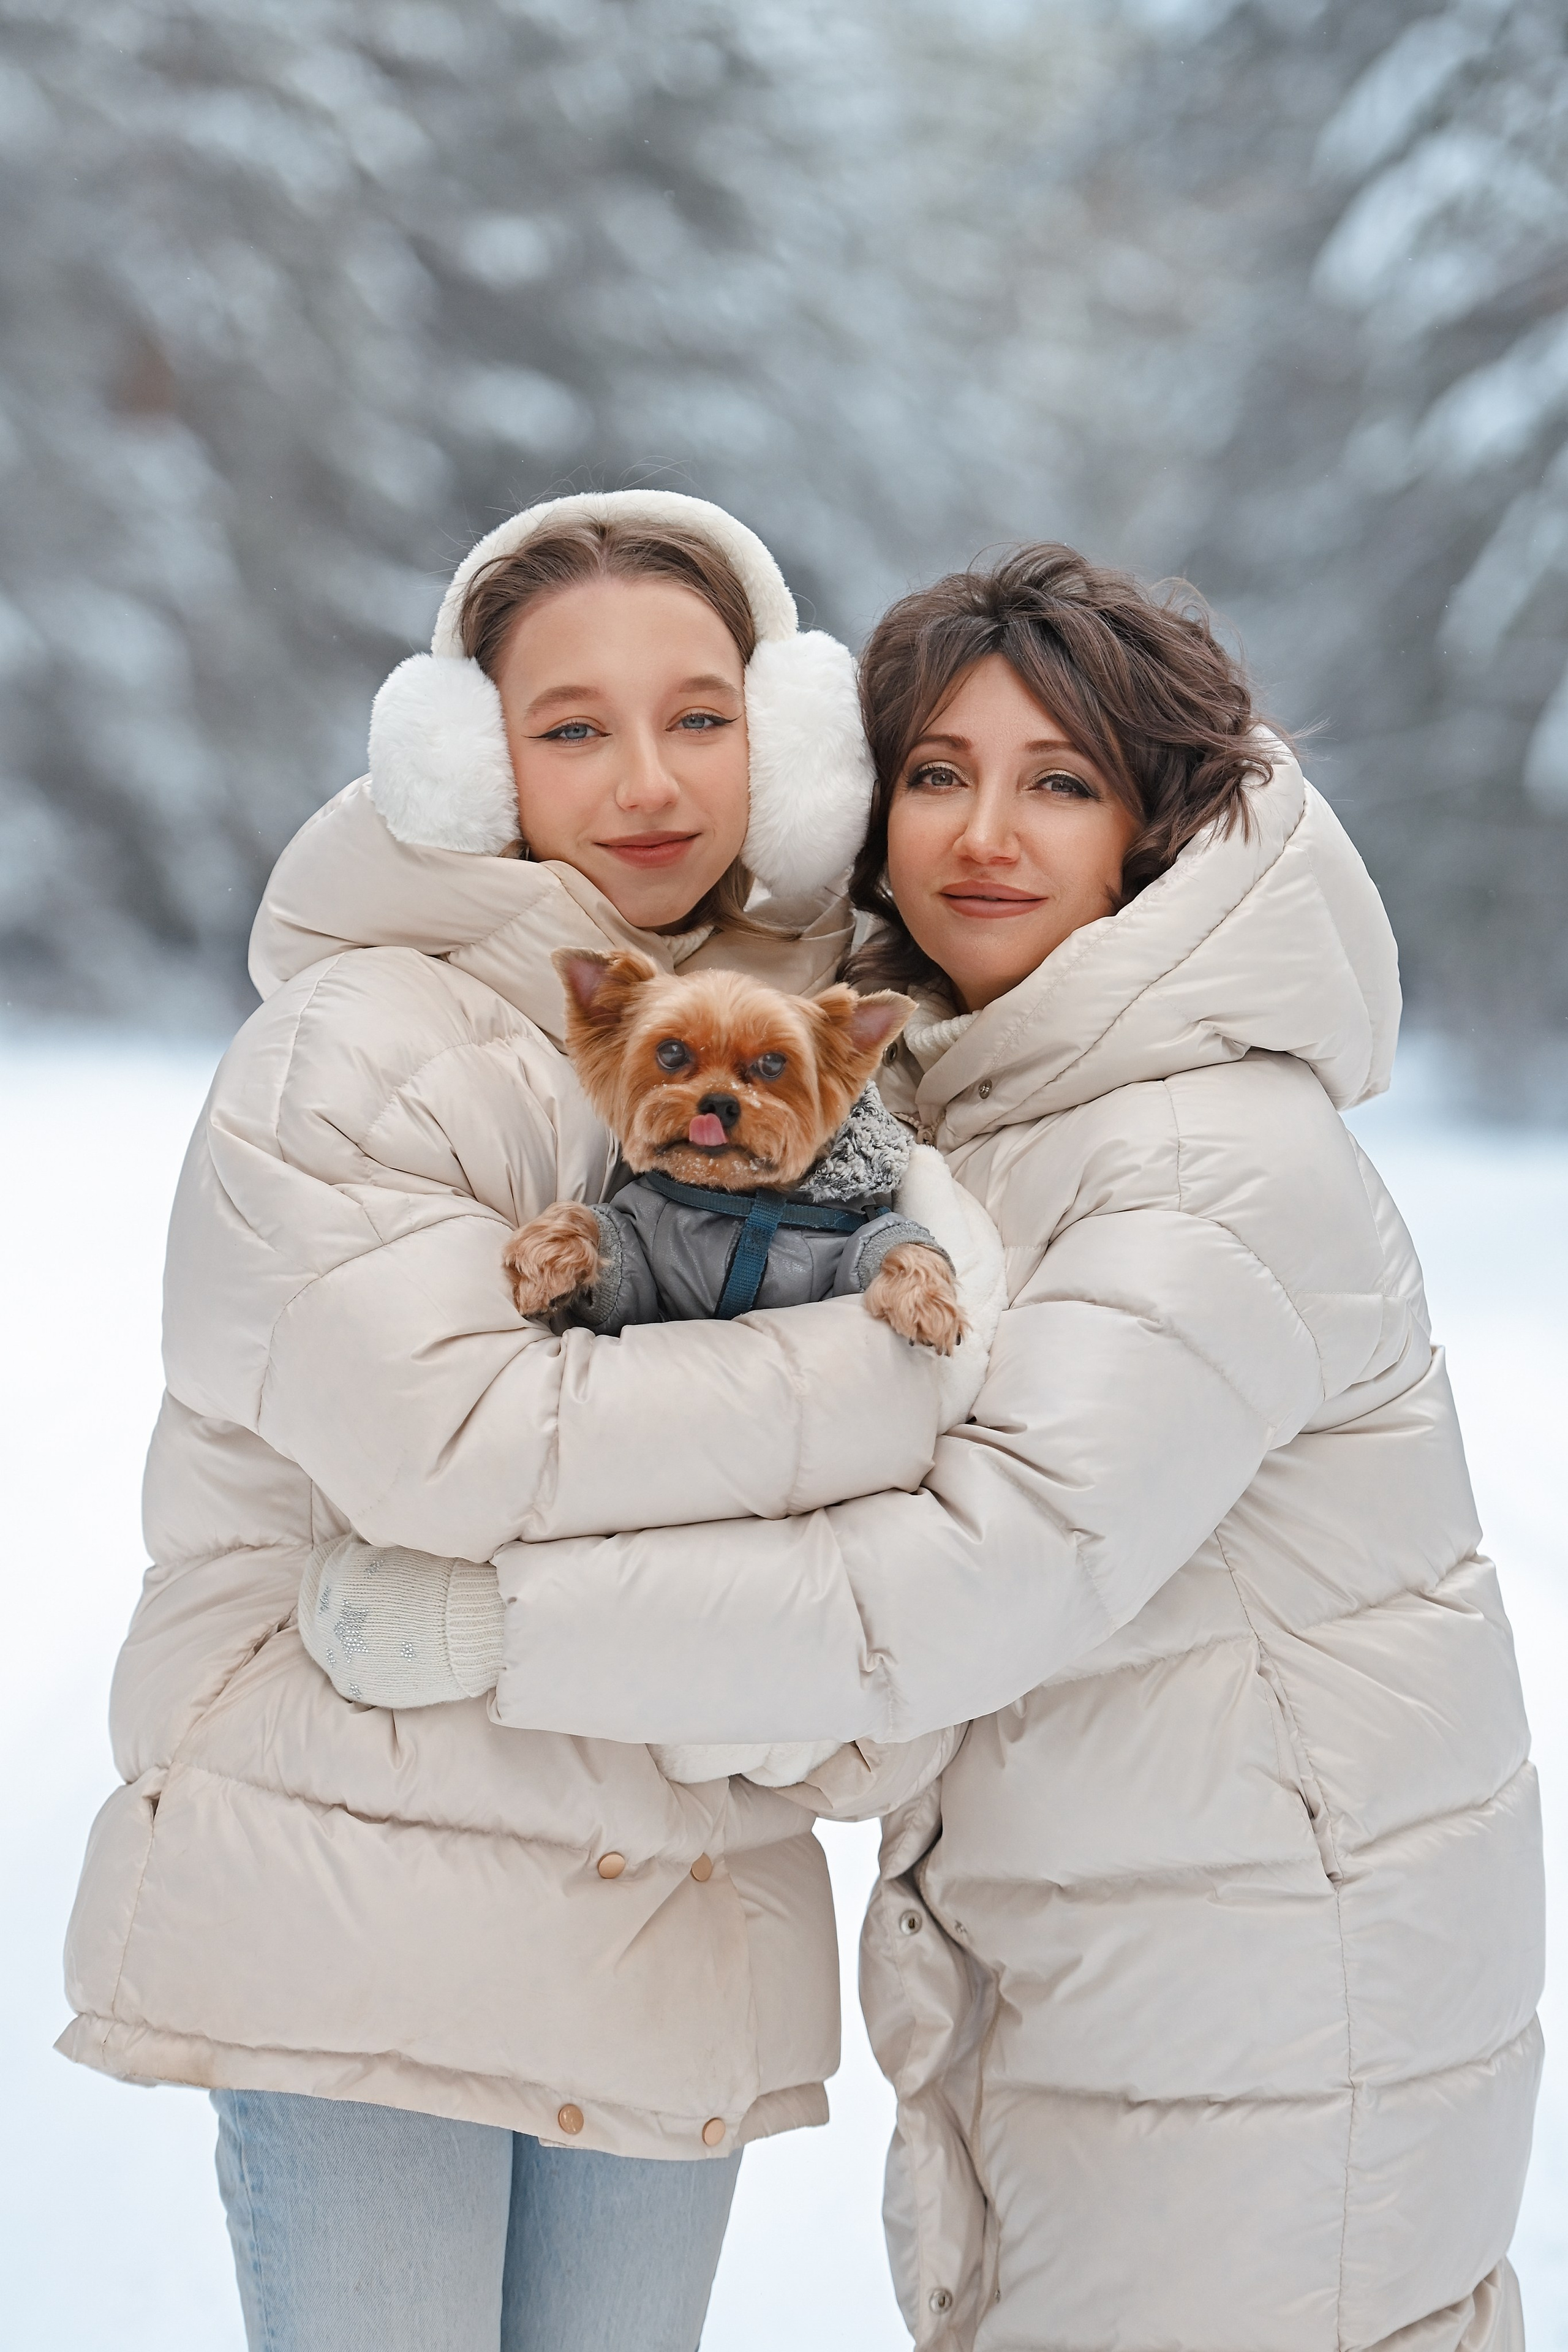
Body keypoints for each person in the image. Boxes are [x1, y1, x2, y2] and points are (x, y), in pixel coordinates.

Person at [319, 545, 1544, 2352]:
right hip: (1107, 1965)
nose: (987, 833)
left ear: (1151, 828)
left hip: (1268, 2008)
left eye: (1062, 782)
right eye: (940, 775)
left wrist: (503, 1624)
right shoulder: (988, 1118)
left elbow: (979, 1568)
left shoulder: (1208, 1155)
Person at [57, 489, 990, 2352]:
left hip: (669, 1923)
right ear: (472, 764)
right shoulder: (351, 1048)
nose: (647, 778)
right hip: (361, 1916)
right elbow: (449, 1450)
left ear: (785, 748)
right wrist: (864, 1397)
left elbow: (911, 1569)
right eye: (572, 726)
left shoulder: (828, 1062)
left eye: (702, 717)